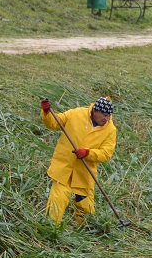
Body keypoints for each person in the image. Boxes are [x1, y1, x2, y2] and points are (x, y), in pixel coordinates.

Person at [41, 96, 117, 225]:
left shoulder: (110, 130)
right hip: (63, 167)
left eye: (109, 116)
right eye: (104, 115)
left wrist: (88, 153)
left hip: (85, 173)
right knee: (57, 201)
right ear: (95, 111)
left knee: (85, 207)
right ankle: (50, 228)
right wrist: (47, 113)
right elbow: (54, 123)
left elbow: (106, 154)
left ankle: (86, 232)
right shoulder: (76, 114)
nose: (107, 119)